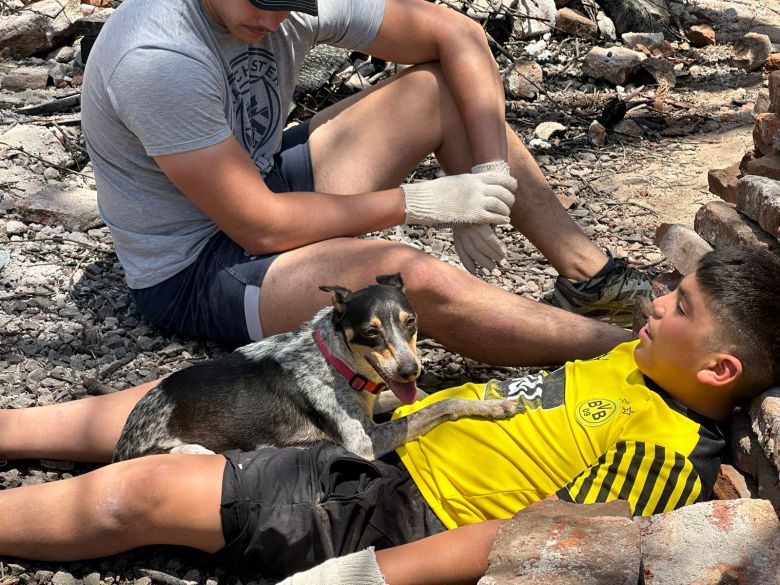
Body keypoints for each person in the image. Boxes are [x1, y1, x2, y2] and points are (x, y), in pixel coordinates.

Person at [0, 247, 777, 584]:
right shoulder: (642, 360)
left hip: (384, 506)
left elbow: (546, 535)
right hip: (387, 440)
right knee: (195, 391)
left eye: (679, 305)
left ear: (718, 369)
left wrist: (367, 572)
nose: (654, 301)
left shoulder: (666, 451)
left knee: (138, 492)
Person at [80, 0, 651, 366]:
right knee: (409, 283)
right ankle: (637, 354)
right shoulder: (158, 58)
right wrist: (421, 202)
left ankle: (594, 280)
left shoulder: (277, 5)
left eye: (291, 4)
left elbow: (458, 34)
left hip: (263, 182)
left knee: (437, 93)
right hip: (196, 269)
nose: (274, 20)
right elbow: (257, 226)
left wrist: (487, 175)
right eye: (260, 2)